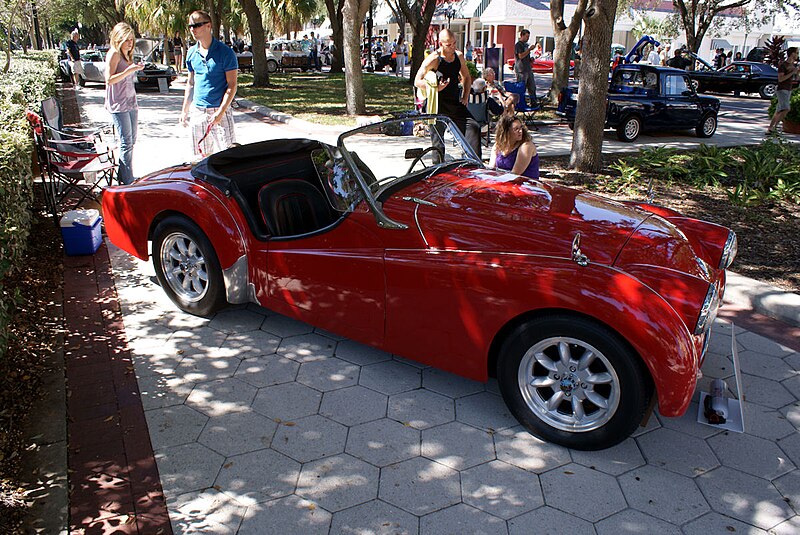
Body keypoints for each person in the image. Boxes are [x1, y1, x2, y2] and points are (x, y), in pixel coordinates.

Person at [414, 28, 481, 159]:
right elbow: (417, 81)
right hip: (437, 105)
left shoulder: (459, 56)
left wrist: (465, 96)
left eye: (454, 43)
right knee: (438, 143)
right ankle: (438, 171)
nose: (452, 47)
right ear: (441, 44)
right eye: (449, 44)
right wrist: (436, 88)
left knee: (473, 127)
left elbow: (466, 77)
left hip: (455, 103)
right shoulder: (434, 59)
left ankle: (472, 163)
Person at [180, 10, 239, 158]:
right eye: (190, 26)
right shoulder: (192, 53)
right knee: (202, 158)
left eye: (197, 25)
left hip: (220, 111)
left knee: (228, 157)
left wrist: (220, 112)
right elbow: (191, 82)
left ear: (208, 26)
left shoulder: (225, 52)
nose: (193, 29)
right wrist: (184, 110)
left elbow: (232, 85)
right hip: (198, 111)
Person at [104, 22, 144, 185]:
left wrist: (135, 68)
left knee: (131, 140)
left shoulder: (127, 55)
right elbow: (109, 79)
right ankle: (127, 180)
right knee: (126, 141)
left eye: (132, 40)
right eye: (126, 40)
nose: (130, 43)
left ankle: (123, 175)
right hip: (118, 104)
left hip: (131, 103)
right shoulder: (114, 54)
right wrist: (129, 70)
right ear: (118, 39)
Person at [489, 115, 539, 180]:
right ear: (506, 132)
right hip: (504, 183)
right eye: (516, 129)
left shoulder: (526, 146)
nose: (520, 131)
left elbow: (515, 174)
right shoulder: (498, 146)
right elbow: (491, 170)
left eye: (521, 128)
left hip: (526, 186)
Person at [768, 46, 799, 134]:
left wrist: (797, 73)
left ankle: (770, 128)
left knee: (779, 109)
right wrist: (792, 72)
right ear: (792, 53)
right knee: (786, 108)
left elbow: (796, 79)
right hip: (782, 89)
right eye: (796, 53)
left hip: (788, 89)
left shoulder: (793, 65)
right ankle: (775, 127)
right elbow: (780, 79)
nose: (797, 55)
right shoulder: (783, 65)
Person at [514, 29, 538, 104]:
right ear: (522, 35)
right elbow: (520, 56)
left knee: (532, 87)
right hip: (521, 70)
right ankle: (520, 103)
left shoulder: (526, 45)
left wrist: (531, 59)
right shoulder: (518, 45)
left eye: (528, 36)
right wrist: (529, 50)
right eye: (526, 36)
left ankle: (534, 103)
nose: (528, 38)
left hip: (528, 68)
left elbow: (526, 56)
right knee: (521, 88)